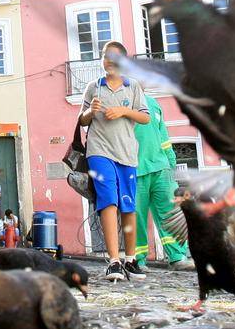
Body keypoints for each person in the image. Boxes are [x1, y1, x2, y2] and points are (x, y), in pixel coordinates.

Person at [78, 40, 150, 282]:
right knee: (108, 200)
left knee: (128, 205)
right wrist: (90, 112)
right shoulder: (93, 87)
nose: (109, 61)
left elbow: (145, 118)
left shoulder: (133, 87)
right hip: (99, 151)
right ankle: (114, 261)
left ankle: (130, 260)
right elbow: (82, 120)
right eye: (105, 56)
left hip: (127, 153)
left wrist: (124, 111)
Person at [133, 93, 189, 273]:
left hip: (162, 168)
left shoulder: (152, 103)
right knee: (136, 217)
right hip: (134, 169)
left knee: (171, 212)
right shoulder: (124, 101)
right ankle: (138, 260)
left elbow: (163, 137)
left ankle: (178, 256)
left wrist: (171, 163)